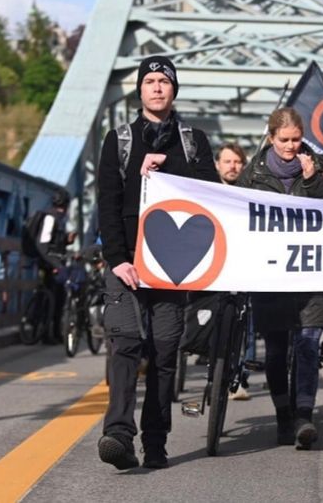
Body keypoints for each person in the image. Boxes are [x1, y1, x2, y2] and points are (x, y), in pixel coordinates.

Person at [96, 55, 220, 471]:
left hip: (172, 267)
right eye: (148, 81)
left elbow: (212, 195)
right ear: (140, 89)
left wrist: (171, 168)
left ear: (173, 89)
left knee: (165, 353)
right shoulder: (120, 140)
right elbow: (107, 204)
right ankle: (118, 433)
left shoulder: (193, 141)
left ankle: (155, 441)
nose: (156, 87)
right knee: (125, 346)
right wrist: (116, 259)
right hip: (127, 266)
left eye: (163, 81)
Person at [236, 107, 323, 450]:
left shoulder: (318, 166)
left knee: (308, 346)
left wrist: (311, 182)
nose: (291, 146)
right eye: (284, 140)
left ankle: (304, 416)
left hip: (312, 274)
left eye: (297, 139)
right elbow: (237, 213)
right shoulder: (253, 173)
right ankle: (283, 413)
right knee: (277, 349)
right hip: (271, 275)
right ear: (271, 138)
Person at [212, 140, 254, 401]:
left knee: (248, 317)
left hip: (245, 267)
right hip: (217, 266)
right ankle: (213, 363)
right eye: (227, 161)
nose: (232, 166)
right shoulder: (209, 191)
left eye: (237, 162)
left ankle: (241, 376)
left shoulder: (252, 192)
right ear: (218, 165)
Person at [27, 189, 71, 341]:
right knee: (50, 298)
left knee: (59, 297)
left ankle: (55, 332)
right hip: (48, 264)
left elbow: (54, 241)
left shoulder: (57, 218)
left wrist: (66, 240)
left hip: (54, 263)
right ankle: (43, 333)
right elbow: (42, 244)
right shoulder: (51, 218)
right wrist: (55, 264)